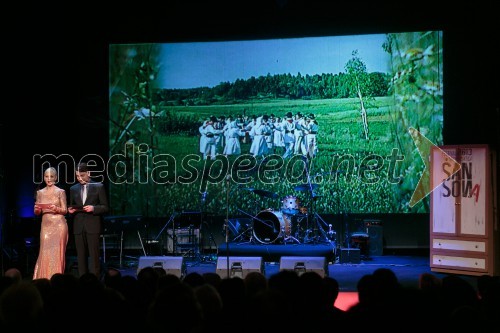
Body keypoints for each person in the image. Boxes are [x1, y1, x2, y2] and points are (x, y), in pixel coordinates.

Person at [68, 162, 109, 278]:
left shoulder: (98, 186)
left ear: (89, 173)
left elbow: (105, 207)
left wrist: (94, 208)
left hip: (93, 225)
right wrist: (70, 211)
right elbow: (72, 206)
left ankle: (95, 281)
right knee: (81, 257)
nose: (80, 178)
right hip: (78, 226)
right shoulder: (73, 189)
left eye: (82, 175)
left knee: (94, 256)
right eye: (77, 176)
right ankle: (82, 280)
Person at [33, 167, 69, 280]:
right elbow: (37, 212)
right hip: (46, 226)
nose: (49, 179)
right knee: (44, 251)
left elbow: (65, 210)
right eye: (46, 176)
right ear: (44, 178)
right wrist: (37, 209)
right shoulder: (40, 192)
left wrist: (56, 208)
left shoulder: (60, 192)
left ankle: (57, 280)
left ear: (56, 177)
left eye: (51, 176)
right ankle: (43, 279)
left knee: (57, 253)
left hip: (59, 225)